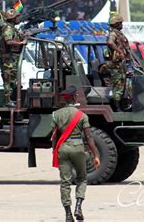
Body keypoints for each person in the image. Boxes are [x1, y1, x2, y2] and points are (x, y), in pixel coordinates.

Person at [51, 86, 100, 222]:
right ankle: (78, 207)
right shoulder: (82, 116)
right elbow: (89, 138)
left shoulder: (56, 115)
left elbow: (54, 136)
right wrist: (96, 154)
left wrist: (54, 150)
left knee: (65, 182)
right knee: (82, 178)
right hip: (78, 147)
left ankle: (68, 214)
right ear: (74, 98)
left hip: (63, 148)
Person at [0, 9, 27, 108]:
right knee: (8, 78)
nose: (19, 19)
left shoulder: (12, 28)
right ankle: (7, 100)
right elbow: (9, 42)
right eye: (17, 17)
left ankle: (12, 99)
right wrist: (21, 43)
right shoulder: (8, 28)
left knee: (13, 79)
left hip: (13, 58)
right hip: (9, 58)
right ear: (12, 19)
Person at [106, 15, 132, 111]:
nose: (122, 25)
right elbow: (110, 42)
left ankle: (124, 104)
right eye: (121, 23)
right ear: (117, 24)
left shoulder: (119, 34)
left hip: (121, 65)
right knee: (118, 87)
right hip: (116, 66)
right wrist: (119, 51)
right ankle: (117, 108)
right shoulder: (113, 34)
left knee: (125, 85)